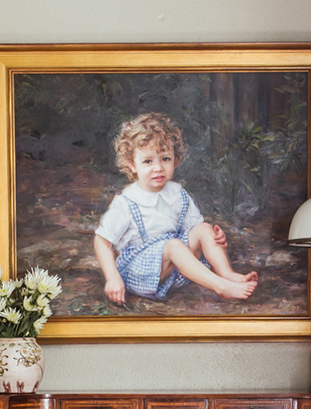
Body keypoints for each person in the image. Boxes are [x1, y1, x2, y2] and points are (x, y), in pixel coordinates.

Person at [93, 112, 258, 305]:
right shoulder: (128, 201)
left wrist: (213, 237)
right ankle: (220, 287)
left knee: (204, 228)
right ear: (132, 165)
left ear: (175, 160)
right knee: (172, 245)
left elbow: (194, 229)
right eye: (148, 161)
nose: (158, 168)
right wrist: (113, 277)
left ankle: (227, 274)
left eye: (165, 159)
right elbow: (101, 241)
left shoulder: (178, 193)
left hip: (176, 268)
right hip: (139, 272)